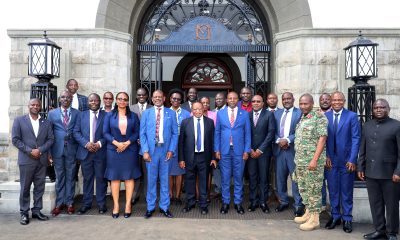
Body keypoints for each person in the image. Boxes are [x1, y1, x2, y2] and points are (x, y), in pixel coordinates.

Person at [358, 99, 400, 240]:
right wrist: (360, 167)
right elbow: (362, 148)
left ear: (388, 108)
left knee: (392, 205)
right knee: (375, 204)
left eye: (382, 107)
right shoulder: (367, 125)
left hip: (390, 174)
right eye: (376, 107)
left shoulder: (396, 126)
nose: (379, 109)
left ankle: (392, 232)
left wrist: (398, 171)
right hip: (371, 172)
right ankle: (379, 230)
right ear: (373, 109)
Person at [12, 98, 54, 225]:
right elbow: (15, 139)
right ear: (28, 106)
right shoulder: (19, 120)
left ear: (40, 107)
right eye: (33, 104)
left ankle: (37, 210)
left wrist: (40, 150)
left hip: (41, 160)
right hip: (26, 160)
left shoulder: (46, 122)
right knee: (25, 187)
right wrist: (30, 151)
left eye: (37, 105)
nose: (35, 106)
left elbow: (51, 139)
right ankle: (24, 213)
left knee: (39, 187)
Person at [324, 91, 360, 233]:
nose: (337, 102)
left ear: (344, 101)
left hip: (346, 161)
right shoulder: (325, 116)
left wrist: (352, 159)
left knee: (346, 191)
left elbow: (356, 138)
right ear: (331, 101)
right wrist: (326, 156)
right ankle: (335, 216)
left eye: (340, 100)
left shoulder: (351, 116)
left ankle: (347, 218)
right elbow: (322, 139)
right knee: (332, 190)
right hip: (330, 161)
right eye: (334, 100)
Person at [140, 90, 178, 219]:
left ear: (164, 98)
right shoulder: (146, 113)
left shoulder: (171, 113)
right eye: (155, 97)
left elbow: (174, 134)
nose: (157, 99)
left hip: (165, 151)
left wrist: (171, 150)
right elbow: (142, 133)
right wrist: (145, 150)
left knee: (164, 180)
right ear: (152, 98)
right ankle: (150, 207)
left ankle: (164, 207)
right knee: (151, 180)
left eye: (160, 97)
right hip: (151, 151)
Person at [293, 93, 328, 231]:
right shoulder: (303, 117)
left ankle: (315, 219)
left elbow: (322, 139)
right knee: (304, 188)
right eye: (301, 104)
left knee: (314, 189)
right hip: (301, 161)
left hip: (313, 162)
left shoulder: (319, 117)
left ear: (312, 103)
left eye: (305, 103)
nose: (303, 106)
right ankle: (308, 213)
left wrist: (314, 159)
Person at [103, 92, 140, 218]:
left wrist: (127, 143)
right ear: (116, 101)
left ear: (128, 101)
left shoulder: (134, 116)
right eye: (120, 99)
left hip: (130, 150)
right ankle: (116, 206)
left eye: (125, 99)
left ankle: (128, 205)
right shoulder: (109, 115)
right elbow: (105, 133)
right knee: (115, 178)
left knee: (129, 178)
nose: (122, 101)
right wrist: (117, 143)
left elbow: (136, 132)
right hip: (114, 150)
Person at [215, 91, 251, 215]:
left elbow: (247, 134)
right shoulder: (220, 114)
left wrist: (246, 150)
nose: (232, 100)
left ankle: (238, 203)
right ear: (226, 100)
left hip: (239, 152)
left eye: (234, 98)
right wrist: (217, 149)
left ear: (238, 100)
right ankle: (225, 202)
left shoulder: (245, 114)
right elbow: (217, 133)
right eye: (230, 98)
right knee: (225, 178)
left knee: (238, 178)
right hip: (224, 151)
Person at [73, 93, 108, 215]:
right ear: (88, 102)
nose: (93, 102)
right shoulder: (80, 115)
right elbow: (76, 132)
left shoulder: (106, 116)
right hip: (85, 152)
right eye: (91, 100)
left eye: (96, 100)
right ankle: (86, 204)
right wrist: (86, 144)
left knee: (101, 179)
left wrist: (99, 143)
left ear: (100, 102)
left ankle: (101, 204)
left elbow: (108, 133)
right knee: (87, 179)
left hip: (100, 152)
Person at [179, 102, 216, 215]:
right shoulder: (185, 122)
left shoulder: (210, 122)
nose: (198, 111)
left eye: (200, 109)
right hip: (190, 157)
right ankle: (190, 203)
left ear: (204, 108)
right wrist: (181, 159)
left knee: (203, 181)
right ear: (192, 110)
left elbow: (213, 141)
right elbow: (181, 142)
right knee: (189, 181)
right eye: (195, 109)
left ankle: (203, 205)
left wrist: (213, 158)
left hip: (204, 157)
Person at [48, 90, 80, 216]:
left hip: (72, 150)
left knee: (71, 176)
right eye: (63, 97)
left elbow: (79, 131)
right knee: (60, 177)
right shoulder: (52, 113)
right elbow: (49, 133)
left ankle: (70, 203)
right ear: (59, 99)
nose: (65, 99)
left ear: (71, 99)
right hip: (57, 150)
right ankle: (59, 203)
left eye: (68, 97)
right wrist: (49, 152)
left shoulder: (77, 113)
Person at [273, 92, 303, 216]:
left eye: (288, 98)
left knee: (295, 178)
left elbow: (301, 130)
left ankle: (298, 205)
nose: (286, 101)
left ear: (293, 99)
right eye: (284, 99)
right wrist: (279, 141)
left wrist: (288, 140)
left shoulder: (299, 113)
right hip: (279, 150)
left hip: (292, 150)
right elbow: (272, 130)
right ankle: (283, 201)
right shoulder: (276, 113)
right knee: (280, 178)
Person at [247, 95, 275, 213]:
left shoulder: (269, 115)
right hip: (250, 152)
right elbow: (244, 133)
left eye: (258, 101)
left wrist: (260, 150)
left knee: (264, 178)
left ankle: (263, 202)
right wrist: (250, 149)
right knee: (252, 178)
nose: (256, 103)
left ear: (263, 103)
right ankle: (253, 201)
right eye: (253, 101)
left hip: (263, 153)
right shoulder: (246, 115)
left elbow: (271, 133)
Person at [130, 87, 152, 206]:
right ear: (136, 96)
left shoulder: (152, 108)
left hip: (148, 147)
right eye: (139, 95)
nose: (141, 97)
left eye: (144, 95)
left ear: (147, 96)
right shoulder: (131, 108)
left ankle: (148, 196)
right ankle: (135, 195)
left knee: (148, 172)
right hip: (134, 146)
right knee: (136, 171)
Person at [168, 89, 191, 205]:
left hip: (182, 147)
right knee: (169, 172)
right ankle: (170, 195)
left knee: (180, 172)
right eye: (173, 98)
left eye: (178, 99)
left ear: (181, 100)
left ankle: (177, 196)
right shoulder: (166, 112)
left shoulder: (187, 114)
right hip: (168, 147)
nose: (176, 100)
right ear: (170, 100)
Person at [210, 92, 226, 200]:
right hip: (214, 145)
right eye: (217, 99)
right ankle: (218, 190)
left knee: (225, 169)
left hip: (226, 145)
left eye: (220, 99)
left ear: (225, 100)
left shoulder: (228, 112)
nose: (218, 101)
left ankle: (225, 191)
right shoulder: (212, 113)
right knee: (216, 168)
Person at [318, 92, 331, 212]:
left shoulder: (335, 114)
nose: (325, 101)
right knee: (319, 181)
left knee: (331, 183)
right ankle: (322, 205)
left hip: (332, 154)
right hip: (318, 153)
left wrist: (328, 155)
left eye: (327, 99)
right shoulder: (315, 114)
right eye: (322, 99)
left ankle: (332, 207)